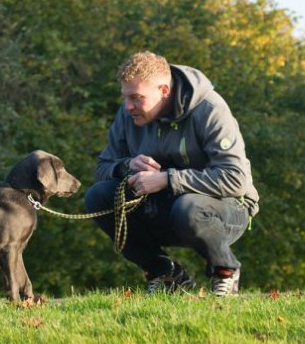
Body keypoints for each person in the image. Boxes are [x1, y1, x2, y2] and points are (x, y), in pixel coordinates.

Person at [84, 51, 259, 296]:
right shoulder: (128, 114)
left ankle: (225, 272)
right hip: (164, 209)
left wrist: (167, 179)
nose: (128, 106)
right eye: (125, 97)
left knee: (188, 207)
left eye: (136, 98)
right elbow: (102, 168)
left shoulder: (209, 109)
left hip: (225, 209)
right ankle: (166, 274)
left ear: (164, 91)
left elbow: (235, 179)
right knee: (98, 196)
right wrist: (127, 165)